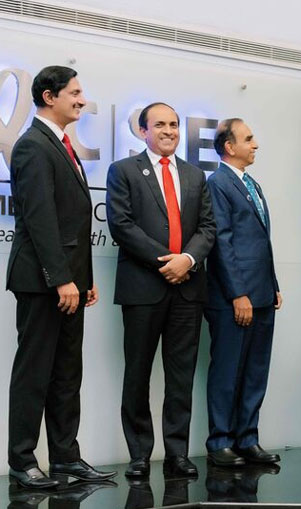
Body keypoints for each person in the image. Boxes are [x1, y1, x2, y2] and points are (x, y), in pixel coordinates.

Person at [5, 65, 115, 488]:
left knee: (68, 372)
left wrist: (82, 279)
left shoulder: (62, 145)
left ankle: (66, 458)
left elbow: (72, 223)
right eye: (75, 92)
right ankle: (21, 463)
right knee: (34, 372)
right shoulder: (33, 145)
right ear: (49, 97)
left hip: (69, 281)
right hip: (42, 281)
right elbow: (40, 220)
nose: (82, 99)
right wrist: (60, 278)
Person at [106, 102, 216, 478]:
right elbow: (121, 225)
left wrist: (187, 259)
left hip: (188, 290)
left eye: (174, 124)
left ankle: (177, 454)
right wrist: (167, 261)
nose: (169, 130)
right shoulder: (123, 171)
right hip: (143, 289)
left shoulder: (195, 176)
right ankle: (138, 455)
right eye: (160, 125)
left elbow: (207, 229)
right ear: (143, 131)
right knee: (137, 374)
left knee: (181, 376)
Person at [205, 118, 282, 467]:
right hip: (233, 299)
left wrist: (273, 285)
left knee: (255, 370)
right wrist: (239, 294)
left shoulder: (252, 184)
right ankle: (220, 441)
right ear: (228, 146)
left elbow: (260, 242)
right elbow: (221, 242)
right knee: (227, 370)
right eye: (248, 139)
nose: (256, 144)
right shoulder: (217, 183)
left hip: (262, 294)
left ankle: (247, 438)